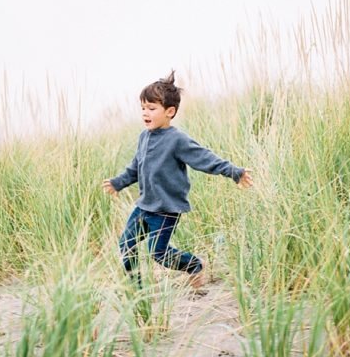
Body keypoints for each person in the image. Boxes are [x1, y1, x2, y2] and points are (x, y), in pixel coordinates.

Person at [101, 71, 252, 290]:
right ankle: (137, 289)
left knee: (158, 253)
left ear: (169, 112)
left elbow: (204, 158)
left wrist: (234, 172)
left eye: (152, 108)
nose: (145, 113)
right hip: (144, 206)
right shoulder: (143, 137)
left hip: (166, 210)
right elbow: (136, 167)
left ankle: (193, 265)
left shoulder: (177, 140)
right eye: (143, 107)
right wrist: (118, 182)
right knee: (126, 244)